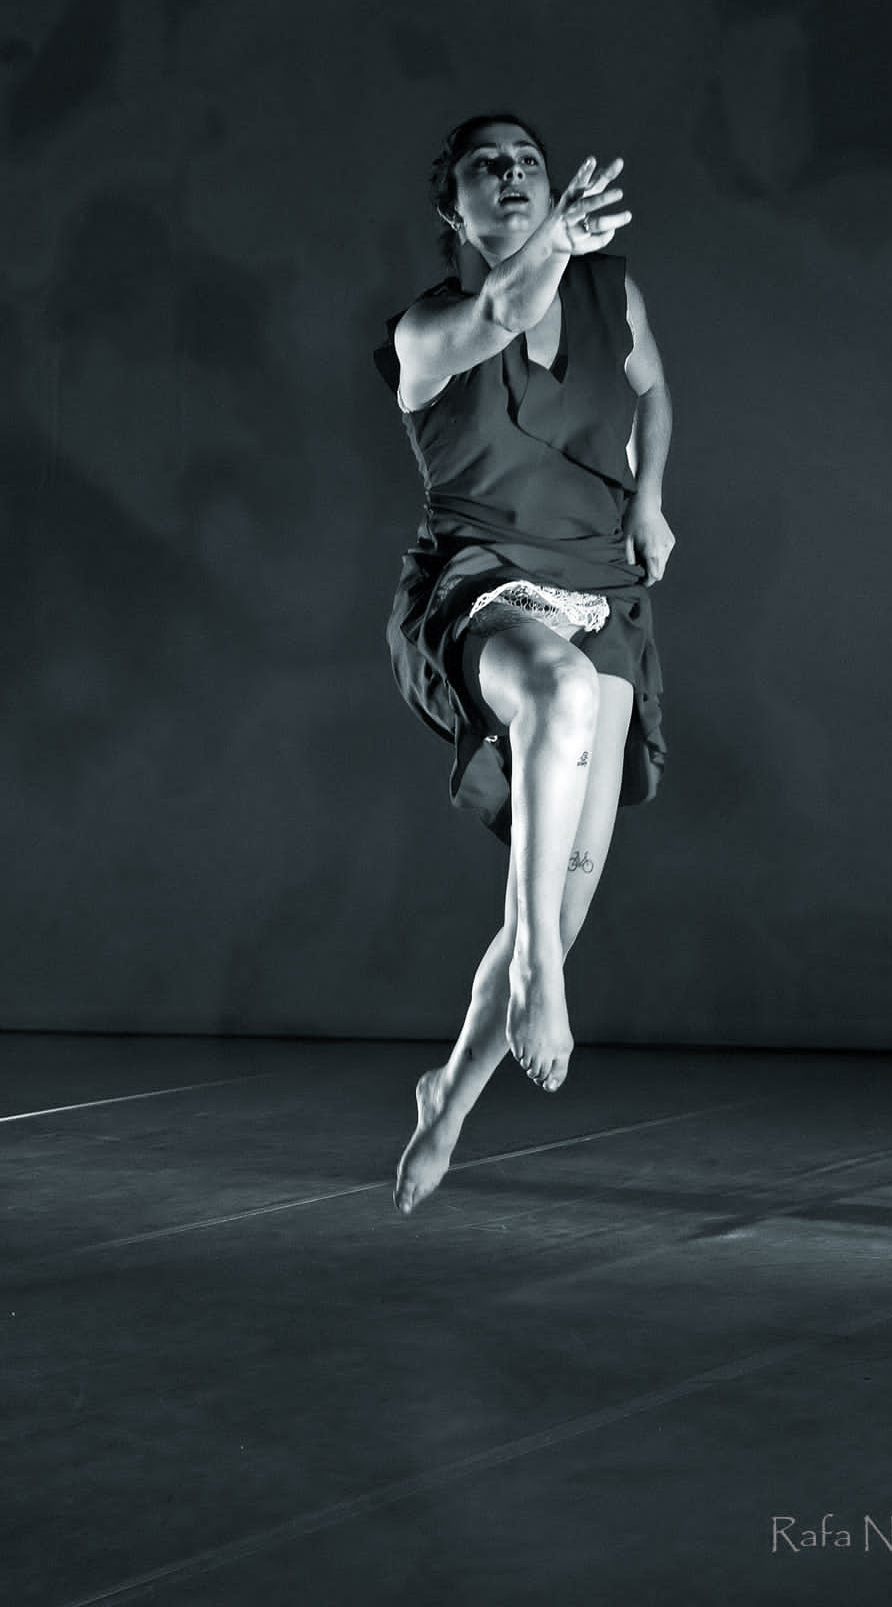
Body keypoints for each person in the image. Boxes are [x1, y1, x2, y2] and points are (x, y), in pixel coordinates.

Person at [373, 112, 676, 1214]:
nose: (511, 176)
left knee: (557, 898)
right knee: (546, 689)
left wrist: (648, 499)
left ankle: (446, 1100)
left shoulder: (614, 293)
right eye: (484, 169)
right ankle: (542, 983)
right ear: (454, 210)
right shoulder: (430, 333)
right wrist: (555, 246)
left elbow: (652, 392)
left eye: (530, 164)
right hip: (482, 586)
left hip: (604, 588)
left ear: (557, 195)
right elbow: (505, 306)